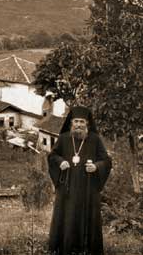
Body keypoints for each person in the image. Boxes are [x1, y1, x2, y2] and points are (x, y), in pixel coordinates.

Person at [48, 105, 112, 255]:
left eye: (82, 121)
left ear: (87, 124)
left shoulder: (95, 139)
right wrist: (60, 162)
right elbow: (52, 156)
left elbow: (107, 161)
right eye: (76, 121)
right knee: (67, 217)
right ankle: (66, 248)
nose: (78, 124)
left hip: (88, 189)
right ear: (71, 123)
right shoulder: (64, 138)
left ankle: (88, 249)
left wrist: (96, 167)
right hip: (68, 188)